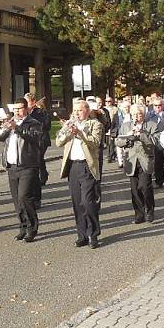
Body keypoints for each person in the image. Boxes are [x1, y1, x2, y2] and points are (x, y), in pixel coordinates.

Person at [56, 100, 104, 249]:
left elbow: (95, 142)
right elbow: (58, 142)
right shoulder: (70, 123)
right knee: (77, 203)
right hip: (73, 167)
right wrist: (67, 133)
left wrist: (80, 133)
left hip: (87, 166)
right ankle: (82, 235)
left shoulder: (95, 124)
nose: (76, 113)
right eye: (74, 110)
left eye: (79, 110)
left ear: (87, 111)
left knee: (87, 202)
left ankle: (93, 233)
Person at [0, 98, 44, 242]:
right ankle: (22, 226)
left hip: (27, 165)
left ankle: (32, 227)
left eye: (20, 108)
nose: (17, 111)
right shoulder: (11, 123)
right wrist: (3, 128)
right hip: (12, 166)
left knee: (24, 197)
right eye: (14, 109)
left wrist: (17, 128)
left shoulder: (34, 123)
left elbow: (36, 138)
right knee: (17, 200)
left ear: (27, 109)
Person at [115, 103, 159, 224]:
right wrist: (128, 139)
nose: (136, 117)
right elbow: (118, 141)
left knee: (144, 187)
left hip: (145, 159)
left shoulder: (151, 125)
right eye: (134, 114)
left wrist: (142, 135)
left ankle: (150, 210)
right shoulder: (125, 126)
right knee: (135, 190)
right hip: (131, 160)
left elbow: (155, 141)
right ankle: (139, 214)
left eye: (139, 114)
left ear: (143, 115)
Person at [26, 93, 51, 209]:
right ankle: (44, 174)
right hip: (30, 141)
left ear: (33, 101)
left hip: (41, 140)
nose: (27, 104)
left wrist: (32, 117)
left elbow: (46, 126)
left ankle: (38, 190)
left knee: (38, 159)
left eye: (28, 102)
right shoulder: (25, 112)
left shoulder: (41, 112)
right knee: (37, 161)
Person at [147, 97, 164, 188]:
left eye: (160, 105)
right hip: (156, 142)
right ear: (153, 106)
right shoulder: (149, 116)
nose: (158, 107)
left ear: (163, 105)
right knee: (157, 162)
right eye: (156, 105)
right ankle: (159, 182)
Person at [105, 96, 119, 163]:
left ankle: (110, 156)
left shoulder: (115, 109)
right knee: (107, 143)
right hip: (106, 128)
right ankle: (110, 154)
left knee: (111, 143)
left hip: (112, 127)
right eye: (106, 101)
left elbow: (116, 119)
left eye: (109, 101)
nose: (108, 103)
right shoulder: (104, 109)